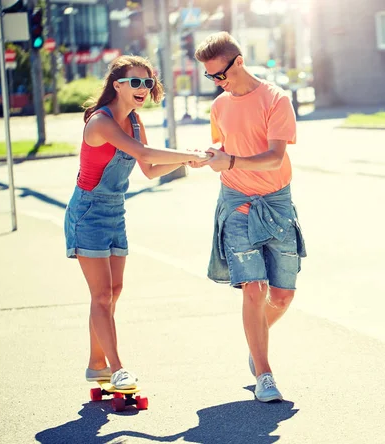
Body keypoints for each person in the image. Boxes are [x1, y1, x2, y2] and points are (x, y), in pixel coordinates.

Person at [64, 55, 210, 389]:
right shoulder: (100, 123)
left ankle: (95, 365)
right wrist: (190, 154)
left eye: (147, 82)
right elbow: (144, 154)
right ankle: (117, 369)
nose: (143, 88)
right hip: (87, 213)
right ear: (118, 85)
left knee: (113, 292)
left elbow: (150, 169)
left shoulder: (134, 122)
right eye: (135, 82)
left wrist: (186, 162)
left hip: (115, 210)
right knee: (101, 295)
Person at [193, 32, 307, 402]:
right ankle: (265, 372)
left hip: (275, 201)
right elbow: (226, 146)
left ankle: (255, 344)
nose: (216, 83)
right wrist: (214, 155)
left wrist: (231, 159)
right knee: (254, 289)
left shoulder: (276, 99)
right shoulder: (220, 106)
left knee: (283, 295)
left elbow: (275, 157)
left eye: (219, 75)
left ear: (238, 62)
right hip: (237, 201)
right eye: (209, 77)